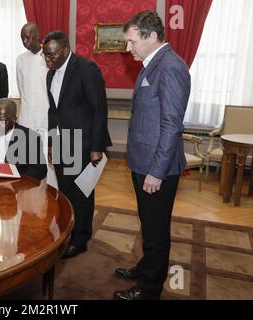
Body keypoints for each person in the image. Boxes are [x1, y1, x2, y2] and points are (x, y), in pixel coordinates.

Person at [113, 10, 191, 300]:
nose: (128, 48)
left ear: (153, 36)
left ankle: (149, 288)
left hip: (157, 167)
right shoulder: (152, 64)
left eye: (132, 42)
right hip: (144, 162)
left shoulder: (170, 66)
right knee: (148, 223)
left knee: (156, 231)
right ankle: (147, 267)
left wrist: (157, 171)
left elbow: (171, 124)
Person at [43, 31, 112, 259]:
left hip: (83, 143)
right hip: (62, 142)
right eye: (45, 55)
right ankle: (69, 230)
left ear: (65, 50)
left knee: (82, 193)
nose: (48, 60)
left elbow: (99, 110)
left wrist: (96, 147)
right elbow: (54, 111)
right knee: (65, 191)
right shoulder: (50, 75)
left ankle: (81, 239)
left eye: (52, 55)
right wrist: (52, 142)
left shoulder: (86, 70)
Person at [16, 23, 57, 188]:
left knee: (50, 159)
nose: (25, 41)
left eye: (29, 37)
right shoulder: (20, 59)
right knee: (30, 159)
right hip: (28, 118)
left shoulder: (49, 56)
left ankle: (53, 193)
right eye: (22, 38)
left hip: (48, 118)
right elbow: (21, 90)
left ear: (38, 35)